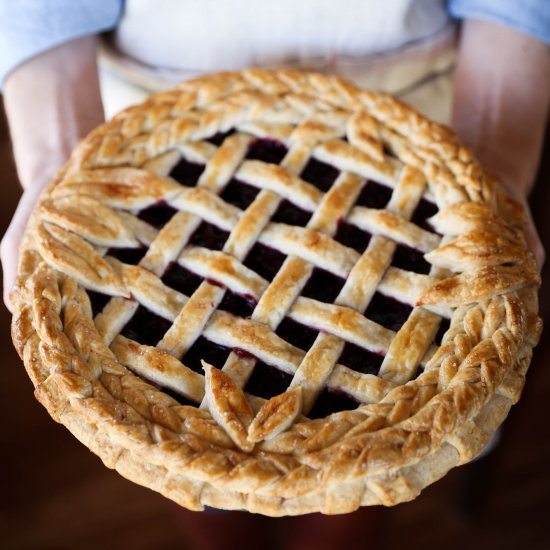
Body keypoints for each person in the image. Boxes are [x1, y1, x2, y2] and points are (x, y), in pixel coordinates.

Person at [0, 2, 548, 549]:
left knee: (355, 486)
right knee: (199, 483)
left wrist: (493, 161)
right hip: (165, 162)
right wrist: (58, 165)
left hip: (412, 155)